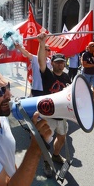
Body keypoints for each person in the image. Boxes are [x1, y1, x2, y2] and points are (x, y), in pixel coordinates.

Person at [37, 32, 72, 177]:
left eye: (62, 62)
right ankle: (46, 162)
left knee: (62, 138)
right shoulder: (47, 74)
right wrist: (41, 43)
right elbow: (41, 62)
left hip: (62, 115)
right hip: (49, 115)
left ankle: (55, 156)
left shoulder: (66, 76)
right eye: (57, 62)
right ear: (52, 63)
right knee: (46, 141)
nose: (59, 64)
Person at [81, 42, 94, 110]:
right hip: (87, 74)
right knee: (87, 88)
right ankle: (86, 102)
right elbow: (84, 65)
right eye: (92, 45)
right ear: (88, 47)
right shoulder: (85, 54)